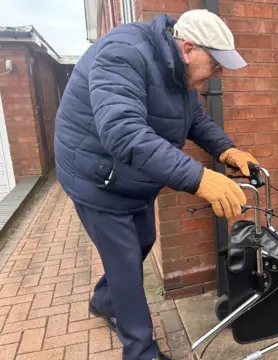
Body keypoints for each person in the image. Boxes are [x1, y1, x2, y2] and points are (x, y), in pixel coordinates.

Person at [54, 9, 259, 360]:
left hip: (132, 176)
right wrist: (199, 178)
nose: (218, 76)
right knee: (126, 267)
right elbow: (123, 132)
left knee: (144, 240)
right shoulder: (122, 55)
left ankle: (105, 301)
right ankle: (140, 351)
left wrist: (226, 150)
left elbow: (191, 116)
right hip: (97, 177)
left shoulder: (176, 69)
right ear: (188, 49)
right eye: (216, 65)